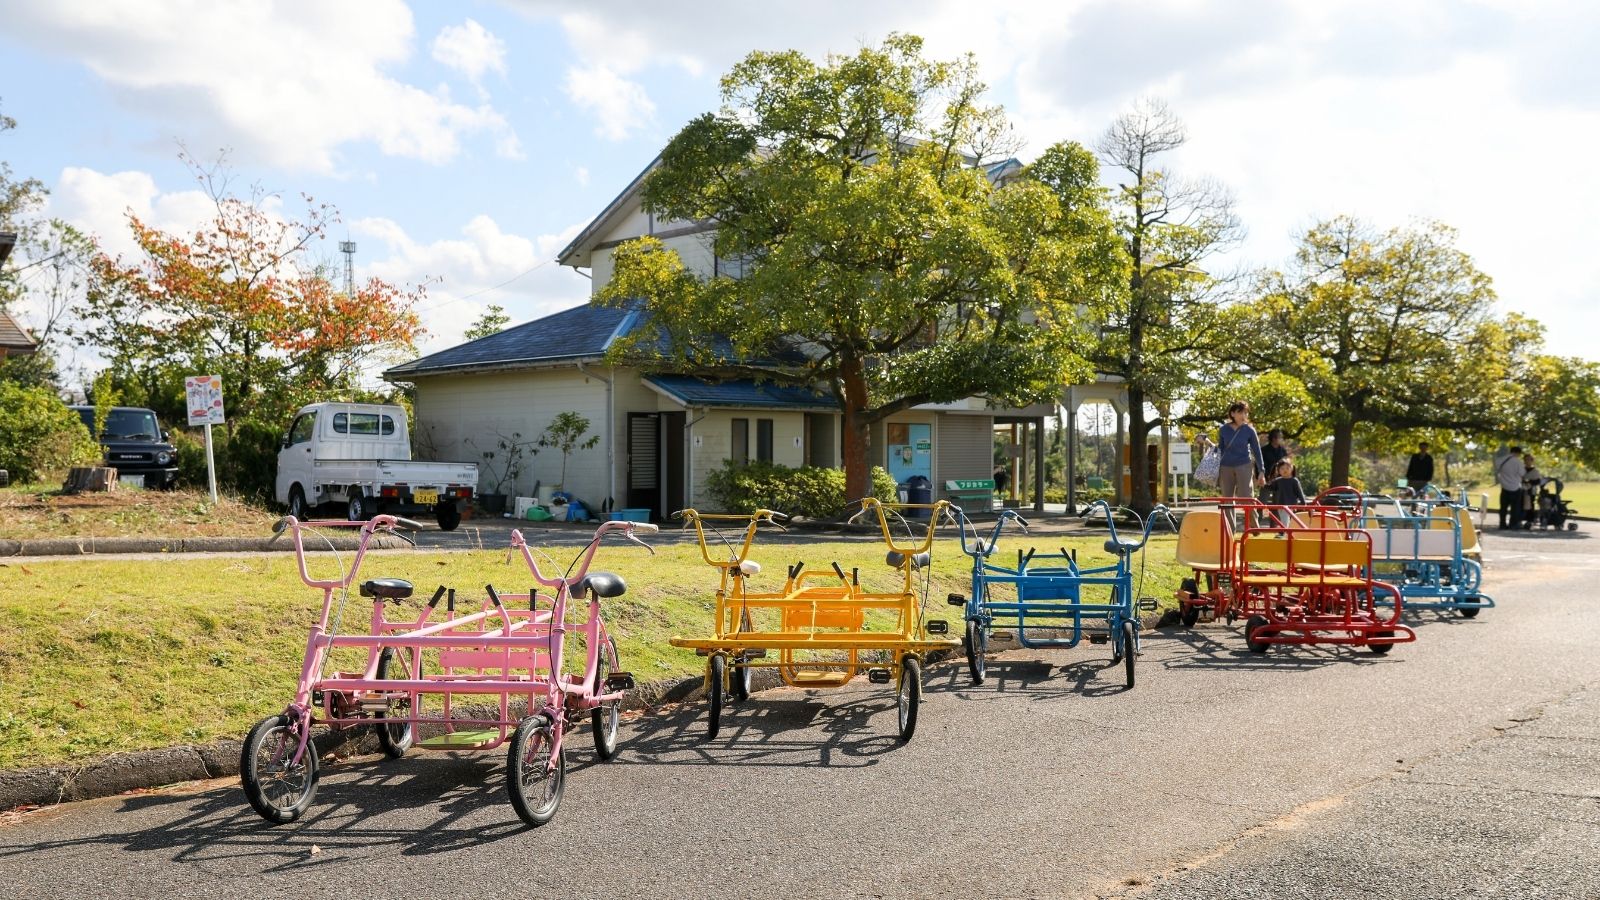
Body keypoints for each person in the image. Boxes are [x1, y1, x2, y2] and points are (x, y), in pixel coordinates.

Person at [1217, 401, 1265, 498]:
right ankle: (1228, 514)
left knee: (1246, 496)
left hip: (1244, 465)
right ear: (1232, 414)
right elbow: (1220, 448)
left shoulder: (1250, 430)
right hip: (1226, 466)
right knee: (1227, 498)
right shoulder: (1223, 429)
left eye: (1246, 413)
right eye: (1240, 412)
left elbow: (1257, 451)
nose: (1244, 415)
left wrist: (1261, 471)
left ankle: (1252, 514)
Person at [1496, 445, 1526, 530]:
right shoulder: (1518, 462)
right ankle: (1513, 524)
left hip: (1504, 486)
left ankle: (1502, 524)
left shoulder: (1501, 460)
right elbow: (1522, 473)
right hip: (1515, 487)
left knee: (1503, 508)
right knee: (1515, 508)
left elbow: (1497, 469)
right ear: (1518, 453)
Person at [1521, 453, 1542, 529]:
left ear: (1532, 461)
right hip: (1521, 490)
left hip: (1531, 491)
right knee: (1520, 505)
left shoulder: (1535, 471)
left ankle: (1530, 520)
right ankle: (1520, 519)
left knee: (1530, 505)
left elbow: (1538, 481)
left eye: (1528, 460)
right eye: (1525, 460)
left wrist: (1529, 482)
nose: (1526, 461)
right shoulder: (1521, 470)